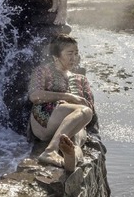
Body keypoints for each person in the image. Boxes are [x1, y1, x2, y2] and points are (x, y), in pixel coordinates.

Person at [28, 34, 94, 172]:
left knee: (76, 142)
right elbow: (34, 96)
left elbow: (90, 106)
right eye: (70, 53)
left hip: (73, 123)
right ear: (56, 56)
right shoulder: (43, 71)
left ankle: (71, 160)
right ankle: (50, 151)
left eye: (76, 53)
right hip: (46, 119)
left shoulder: (81, 79)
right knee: (84, 111)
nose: (74, 57)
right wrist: (68, 97)